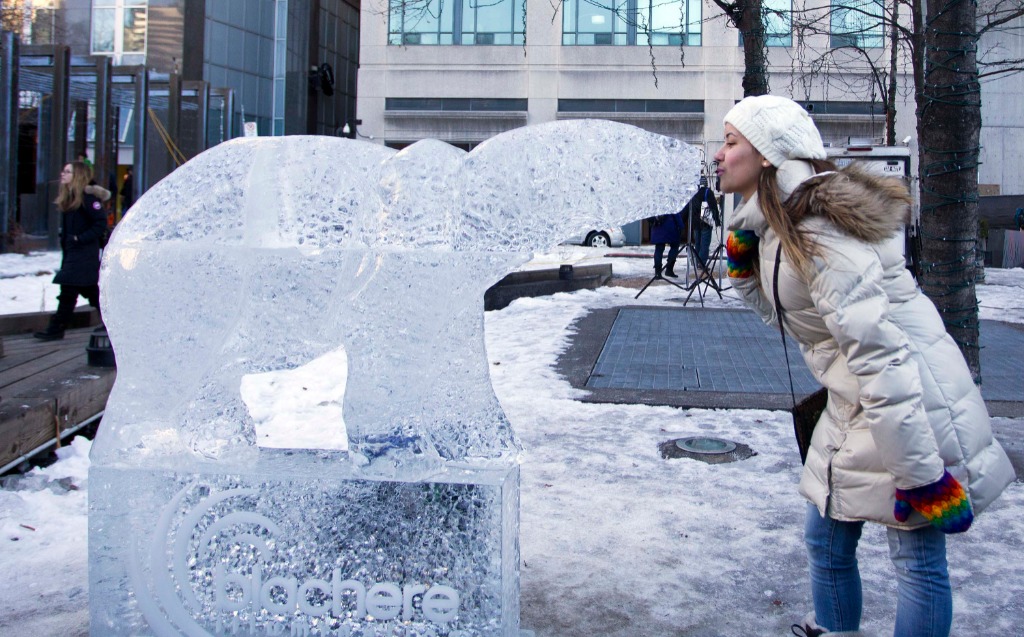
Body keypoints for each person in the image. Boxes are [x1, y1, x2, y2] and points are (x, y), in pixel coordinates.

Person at [717, 95, 1016, 637]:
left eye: (731, 141)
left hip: (910, 401)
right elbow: (802, 322)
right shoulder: (778, 226)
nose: (719, 154)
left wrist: (923, 476)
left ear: (767, 155)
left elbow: (880, 353)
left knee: (916, 559)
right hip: (856, 401)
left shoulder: (819, 229)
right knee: (826, 539)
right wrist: (744, 273)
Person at [34, 161, 111, 341]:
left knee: (71, 290)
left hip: (83, 255)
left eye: (67, 172)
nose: (63, 174)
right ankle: (112, 323)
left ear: (77, 175)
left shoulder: (88, 199)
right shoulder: (72, 198)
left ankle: (56, 328)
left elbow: (100, 223)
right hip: (74, 254)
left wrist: (79, 238)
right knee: (87, 292)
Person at [683, 176, 722, 276]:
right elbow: (713, 207)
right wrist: (717, 220)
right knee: (705, 243)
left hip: (695, 222)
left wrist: (683, 220)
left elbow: (688, 207)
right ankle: (701, 263)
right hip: (705, 221)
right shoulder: (708, 192)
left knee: (698, 243)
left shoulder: (693, 193)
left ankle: (697, 261)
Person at [649, 210, 685, 278]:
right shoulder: (670, 201)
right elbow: (676, 214)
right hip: (670, 227)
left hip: (657, 227)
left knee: (659, 249)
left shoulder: (655, 203)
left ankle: (658, 272)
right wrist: (681, 225)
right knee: (674, 247)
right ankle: (669, 269)